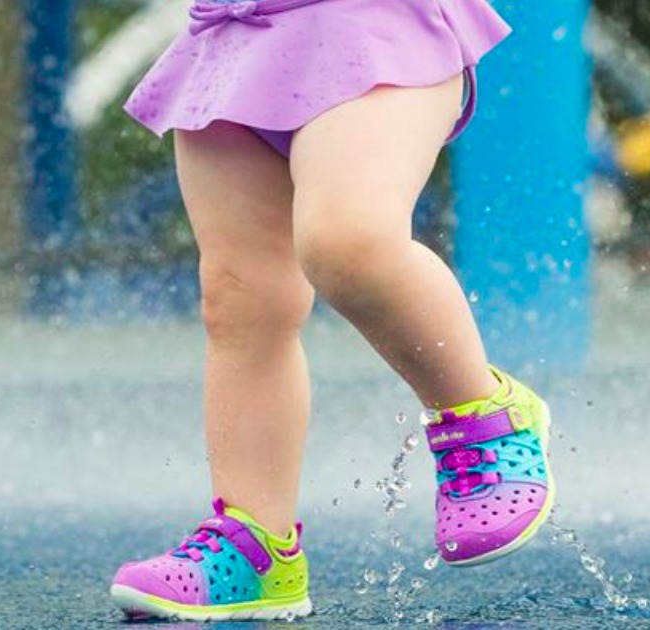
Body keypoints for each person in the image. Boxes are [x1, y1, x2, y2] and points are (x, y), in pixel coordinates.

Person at [109, 0, 554, 620]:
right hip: (234, 38)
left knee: (347, 242)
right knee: (241, 298)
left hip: (368, 22)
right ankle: (256, 546)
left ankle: (480, 409)